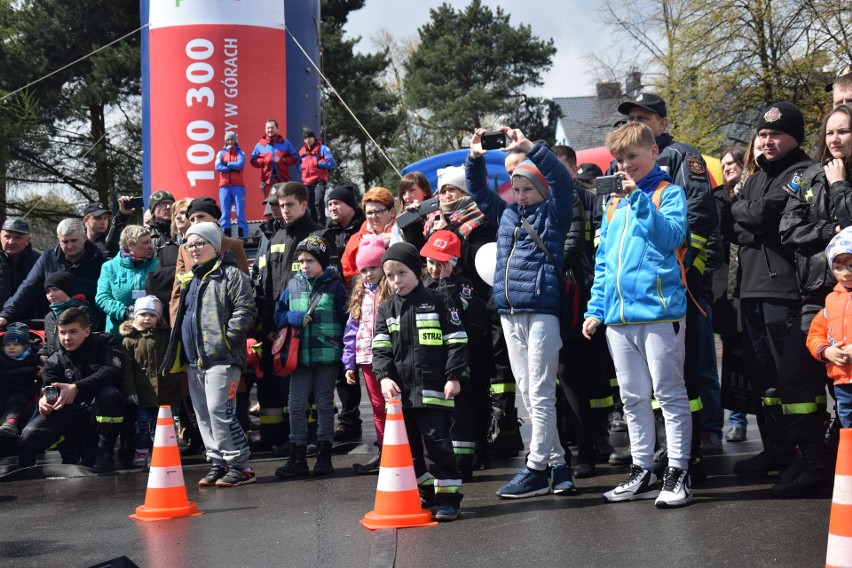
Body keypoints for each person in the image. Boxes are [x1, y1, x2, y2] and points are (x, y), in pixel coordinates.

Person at [582, 121, 693, 508]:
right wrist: (596, 309)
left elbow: (670, 238)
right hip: (618, 320)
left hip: (660, 314)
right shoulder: (612, 204)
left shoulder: (669, 193)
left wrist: (640, 201)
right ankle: (643, 470)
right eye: (620, 159)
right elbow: (604, 263)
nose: (626, 165)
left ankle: (678, 471)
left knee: (669, 395)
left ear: (653, 153)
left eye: (633, 156)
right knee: (632, 398)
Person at [466, 126, 576, 499]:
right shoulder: (509, 214)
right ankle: (558, 464)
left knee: (541, 392)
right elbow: (479, 192)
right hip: (509, 313)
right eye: (517, 189)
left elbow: (562, 180)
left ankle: (534, 467)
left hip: (542, 312)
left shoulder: (555, 213)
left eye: (528, 188)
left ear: (541, 189)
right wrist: (475, 158)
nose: (522, 195)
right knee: (529, 392)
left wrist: (531, 148)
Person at [617, 92, 718, 479]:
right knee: (657, 378)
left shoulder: (682, 156)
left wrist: (681, 265)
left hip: (682, 280)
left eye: (643, 118)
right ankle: (668, 447)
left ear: (661, 123)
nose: (634, 125)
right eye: (630, 119)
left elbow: (699, 216)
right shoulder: (627, 165)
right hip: (646, 290)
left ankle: (699, 442)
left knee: (692, 366)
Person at [720, 101, 814, 480]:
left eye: (775, 134)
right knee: (764, 381)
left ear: (794, 137)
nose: (767, 141)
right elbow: (732, 223)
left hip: (783, 290)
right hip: (751, 289)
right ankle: (775, 449)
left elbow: (760, 214)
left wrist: (748, 213)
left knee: (789, 379)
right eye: (762, 134)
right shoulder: (757, 175)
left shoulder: (803, 172)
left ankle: (803, 456)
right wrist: (749, 215)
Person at [773, 103, 852, 497]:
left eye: (844, 131)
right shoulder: (807, 176)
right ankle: (812, 461)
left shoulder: (839, 179)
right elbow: (789, 230)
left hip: (851, 295)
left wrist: (840, 188)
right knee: (794, 379)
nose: (835, 139)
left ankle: (843, 461)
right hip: (815, 297)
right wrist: (831, 227)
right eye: (830, 132)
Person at [372, 242, 467, 521]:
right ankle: (425, 492)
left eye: (401, 272)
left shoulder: (439, 302)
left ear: (417, 270)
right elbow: (380, 349)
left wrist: (454, 377)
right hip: (402, 394)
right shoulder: (386, 310)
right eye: (389, 276)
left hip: (433, 389)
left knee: (438, 446)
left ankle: (449, 499)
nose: (395, 280)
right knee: (411, 449)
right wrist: (385, 376)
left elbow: (457, 341)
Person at [162, 222, 257, 487]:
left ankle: (241, 465)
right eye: (189, 244)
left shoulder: (231, 275)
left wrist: (227, 341)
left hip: (222, 359)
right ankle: (218, 462)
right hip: (195, 361)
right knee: (203, 415)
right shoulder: (191, 278)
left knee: (220, 412)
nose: (193, 249)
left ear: (214, 246)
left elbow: (246, 310)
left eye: (199, 243)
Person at [420, 229, 492, 482]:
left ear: (452, 263)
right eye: (430, 262)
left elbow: (453, 312)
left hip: (459, 363)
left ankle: (463, 464)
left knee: (460, 414)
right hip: (430, 364)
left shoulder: (463, 287)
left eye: (440, 263)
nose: (433, 268)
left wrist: (447, 282)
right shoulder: (422, 286)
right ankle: (438, 463)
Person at [255, 182, 322, 452]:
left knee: (313, 388)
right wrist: (271, 325)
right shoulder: (276, 237)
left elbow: (326, 284)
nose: (284, 211)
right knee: (286, 386)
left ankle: (314, 437)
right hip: (281, 325)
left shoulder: (318, 234)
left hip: (310, 323)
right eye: (281, 206)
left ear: (304, 205)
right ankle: (292, 439)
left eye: (290, 205)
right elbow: (269, 286)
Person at [274, 236, 347, 478]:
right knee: (295, 405)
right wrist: (294, 318)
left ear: (323, 262)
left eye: (310, 260)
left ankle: (324, 456)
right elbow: (278, 316)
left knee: (325, 405)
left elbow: (347, 319)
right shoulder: (293, 285)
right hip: (300, 356)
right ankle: (298, 457)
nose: (304, 265)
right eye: (301, 260)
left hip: (327, 355)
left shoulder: (336, 286)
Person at [19, 307, 125, 473]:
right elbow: (49, 391)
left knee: (111, 395)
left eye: (73, 332)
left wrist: (76, 387)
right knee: (29, 435)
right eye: (63, 333)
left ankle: (105, 453)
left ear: (87, 331)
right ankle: (70, 450)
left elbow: (112, 371)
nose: (67, 338)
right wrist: (44, 401)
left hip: (98, 410)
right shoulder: (55, 360)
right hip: (72, 414)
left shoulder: (105, 342)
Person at [313, 182, 365, 444]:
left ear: (351, 206)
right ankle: (347, 423)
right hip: (334, 308)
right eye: (329, 203)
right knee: (343, 369)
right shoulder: (324, 235)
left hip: (364, 303)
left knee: (366, 366)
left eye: (337, 203)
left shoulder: (365, 229)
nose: (332, 207)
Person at [0, 218, 106, 330]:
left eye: (74, 241)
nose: (69, 246)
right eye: (65, 242)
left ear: (84, 237)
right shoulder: (48, 258)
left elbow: (105, 298)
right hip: (55, 325)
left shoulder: (101, 262)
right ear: (58, 239)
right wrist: (6, 314)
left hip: (91, 326)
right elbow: (28, 288)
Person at [712, 144, 751, 444]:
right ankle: (735, 420)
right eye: (724, 165)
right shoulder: (716, 200)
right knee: (733, 357)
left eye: (732, 163)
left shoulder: (754, 193)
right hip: (724, 290)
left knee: (756, 355)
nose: (727, 168)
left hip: (754, 285)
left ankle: (765, 417)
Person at [342, 235, 390, 474]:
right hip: (366, 359)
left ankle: (404, 450)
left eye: (373, 267)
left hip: (390, 357)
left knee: (395, 405)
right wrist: (349, 362)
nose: (369, 273)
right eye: (364, 269)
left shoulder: (391, 291)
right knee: (377, 407)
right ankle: (384, 452)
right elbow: (351, 330)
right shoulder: (359, 294)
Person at [169, 197, 249, 324]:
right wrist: (175, 324)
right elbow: (178, 291)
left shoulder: (233, 245)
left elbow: (244, 289)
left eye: (201, 216)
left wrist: (236, 330)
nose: (196, 222)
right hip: (193, 319)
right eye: (192, 219)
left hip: (223, 320)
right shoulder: (184, 249)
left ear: (214, 218)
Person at [120, 295, 175, 468]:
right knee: (142, 425)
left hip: (163, 392)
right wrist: (130, 392)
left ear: (158, 318)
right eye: (143, 315)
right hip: (141, 392)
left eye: (151, 315)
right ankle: (141, 451)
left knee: (162, 426)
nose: (147, 318)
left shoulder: (165, 337)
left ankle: (163, 452)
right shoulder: (130, 340)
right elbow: (127, 370)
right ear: (135, 317)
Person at [809, 226, 852, 430]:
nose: (846, 273)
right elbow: (815, 334)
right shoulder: (831, 300)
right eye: (838, 267)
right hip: (842, 382)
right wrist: (827, 351)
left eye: (851, 265)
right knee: (847, 426)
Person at [95, 225, 159, 337]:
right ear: (130, 246)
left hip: (151, 334)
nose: (150, 246)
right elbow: (102, 299)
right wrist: (125, 313)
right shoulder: (110, 267)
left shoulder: (158, 265)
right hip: (118, 334)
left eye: (150, 242)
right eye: (145, 243)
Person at [341, 187, 398, 286]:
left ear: (392, 212)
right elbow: (345, 271)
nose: (373, 216)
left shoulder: (402, 233)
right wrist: (362, 278)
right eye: (369, 213)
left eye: (378, 211)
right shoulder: (356, 240)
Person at [40, 271, 99, 358]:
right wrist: (43, 354)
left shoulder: (81, 310)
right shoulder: (49, 316)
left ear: (67, 289)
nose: (51, 295)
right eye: (48, 292)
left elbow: (90, 340)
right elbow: (48, 341)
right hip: (56, 364)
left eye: (55, 289)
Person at [0, 323, 40, 437]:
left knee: (15, 402)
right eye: (8, 345)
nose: (11, 347)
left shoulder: (32, 359)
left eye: (16, 344)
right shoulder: (2, 358)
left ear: (25, 346)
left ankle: (10, 423)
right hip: (3, 390)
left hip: (22, 390)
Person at [0, 219, 42, 321]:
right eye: (7, 237)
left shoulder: (40, 261)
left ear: (28, 240)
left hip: (33, 324)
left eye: (17, 238)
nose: (11, 242)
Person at [250, 118, 299, 198]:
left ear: (277, 129)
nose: (270, 130)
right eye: (268, 128)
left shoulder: (285, 143)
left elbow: (294, 158)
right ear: (265, 130)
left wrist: (283, 160)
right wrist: (264, 160)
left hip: (283, 180)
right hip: (267, 181)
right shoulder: (260, 144)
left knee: (283, 203)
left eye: (272, 128)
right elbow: (253, 160)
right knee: (270, 205)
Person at [299, 129, 337, 224]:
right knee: (310, 206)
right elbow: (298, 166)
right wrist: (302, 167)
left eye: (309, 137)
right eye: (305, 138)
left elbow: (332, 163)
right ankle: (313, 226)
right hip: (306, 182)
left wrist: (317, 163)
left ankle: (322, 226)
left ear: (314, 138)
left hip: (319, 180)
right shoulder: (302, 151)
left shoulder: (323, 148)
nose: (308, 140)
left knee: (318, 202)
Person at [215, 131, 249, 238]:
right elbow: (217, 167)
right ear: (225, 141)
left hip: (238, 186)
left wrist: (226, 164)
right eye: (228, 139)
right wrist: (230, 167)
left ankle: (243, 236)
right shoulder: (220, 153)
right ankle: (226, 236)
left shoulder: (240, 153)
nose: (230, 141)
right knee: (225, 213)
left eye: (232, 139)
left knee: (240, 212)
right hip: (224, 186)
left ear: (235, 141)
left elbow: (240, 165)